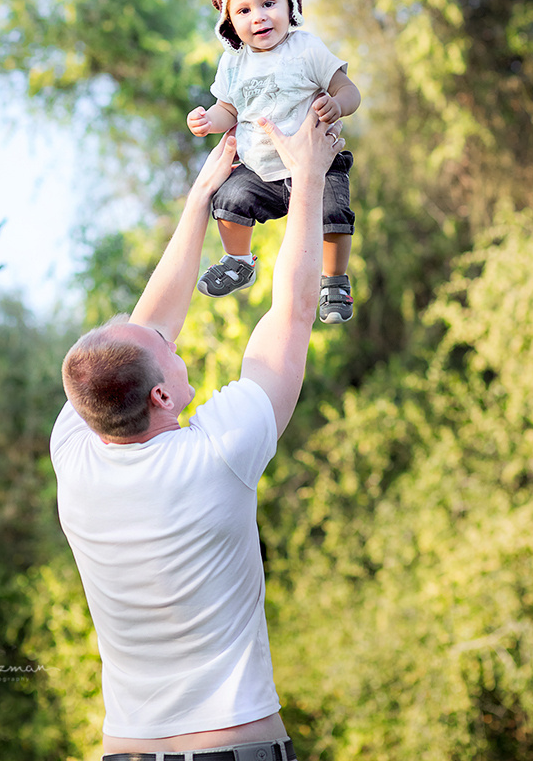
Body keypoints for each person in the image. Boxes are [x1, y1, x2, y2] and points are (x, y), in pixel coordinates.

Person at [51, 110, 345, 761]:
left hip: (126, 752)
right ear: (160, 394)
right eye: (168, 351)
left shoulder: (76, 450)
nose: (172, 340)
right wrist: (308, 177)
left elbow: (141, 331)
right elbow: (294, 312)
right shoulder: (219, 454)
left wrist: (197, 201)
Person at [187, 0, 361, 324]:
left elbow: (348, 89)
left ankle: (334, 282)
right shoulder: (233, 64)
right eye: (244, 11)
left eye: (269, 4)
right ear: (229, 23)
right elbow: (228, 109)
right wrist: (207, 120)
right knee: (229, 197)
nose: (259, 17)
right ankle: (238, 261)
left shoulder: (306, 49)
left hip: (316, 163)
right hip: (260, 168)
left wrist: (338, 104)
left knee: (334, 213)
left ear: (289, 3)